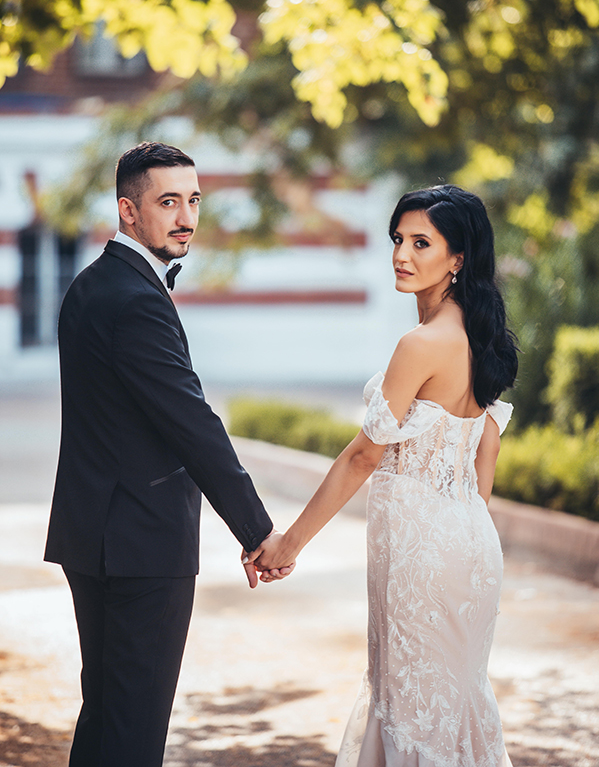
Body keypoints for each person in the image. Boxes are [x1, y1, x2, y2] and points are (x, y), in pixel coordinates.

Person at [246, 184, 519, 767]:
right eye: (398, 238)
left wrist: (287, 543)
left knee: (413, 709)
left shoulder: (420, 344)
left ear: (458, 258)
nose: (402, 254)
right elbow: (483, 471)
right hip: (468, 544)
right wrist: (452, 526)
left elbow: (362, 457)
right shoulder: (483, 339)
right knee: (452, 705)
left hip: (421, 552)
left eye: (422, 242)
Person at [44, 141, 291, 767]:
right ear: (129, 211)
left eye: (194, 201)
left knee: (104, 715)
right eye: (168, 202)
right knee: (133, 730)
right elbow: (192, 425)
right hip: (141, 544)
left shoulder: (91, 287)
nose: (186, 217)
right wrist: (258, 530)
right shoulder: (135, 300)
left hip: (94, 536)